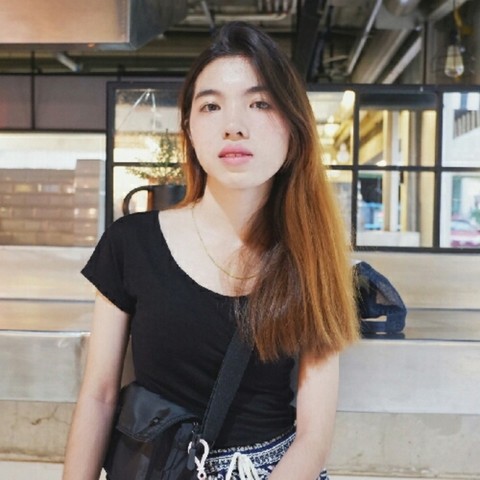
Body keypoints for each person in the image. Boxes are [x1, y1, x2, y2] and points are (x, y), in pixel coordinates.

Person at [62, 21, 359, 480]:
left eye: (260, 103)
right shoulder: (131, 243)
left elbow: (314, 437)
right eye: (211, 106)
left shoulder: (314, 254)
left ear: (293, 127)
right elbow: (99, 396)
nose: (233, 126)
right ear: (189, 129)